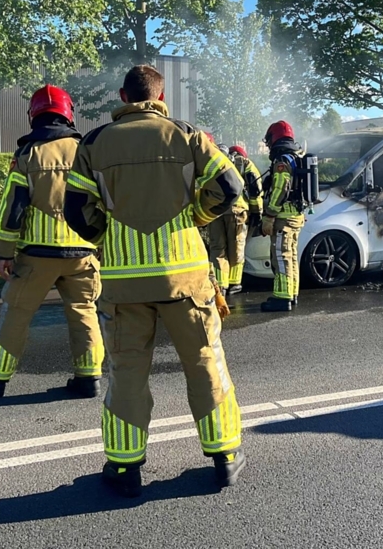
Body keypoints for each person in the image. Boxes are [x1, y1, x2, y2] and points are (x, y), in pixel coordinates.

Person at [64, 65, 246, 497]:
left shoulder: (94, 143)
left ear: (123, 96)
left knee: (127, 373)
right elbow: (231, 185)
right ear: (160, 96)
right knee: (204, 361)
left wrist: (107, 235)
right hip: (185, 279)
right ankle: (223, 458)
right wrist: (197, 215)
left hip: (125, 285)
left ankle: (125, 469)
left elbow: (76, 208)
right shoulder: (187, 135)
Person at [0, 85, 103, 399]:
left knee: (17, 312)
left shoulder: (27, 153)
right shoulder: (87, 150)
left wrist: (3, 253)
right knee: (84, 311)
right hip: (83, 252)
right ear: (68, 113)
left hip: (37, 256)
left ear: (33, 115)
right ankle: (89, 378)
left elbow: (13, 208)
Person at [259, 121, 305, 313]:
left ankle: (282, 297)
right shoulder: (295, 157)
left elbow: (280, 189)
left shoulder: (282, 161)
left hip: (283, 217)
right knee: (291, 256)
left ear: (273, 138)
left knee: (281, 256)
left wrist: (269, 215)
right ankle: (291, 293)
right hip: (295, 215)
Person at [207, 144, 263, 297]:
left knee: (217, 248)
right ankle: (235, 283)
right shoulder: (244, 163)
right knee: (236, 246)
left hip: (215, 211)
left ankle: (220, 286)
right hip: (237, 211)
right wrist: (256, 212)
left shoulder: (213, 162)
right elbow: (255, 189)